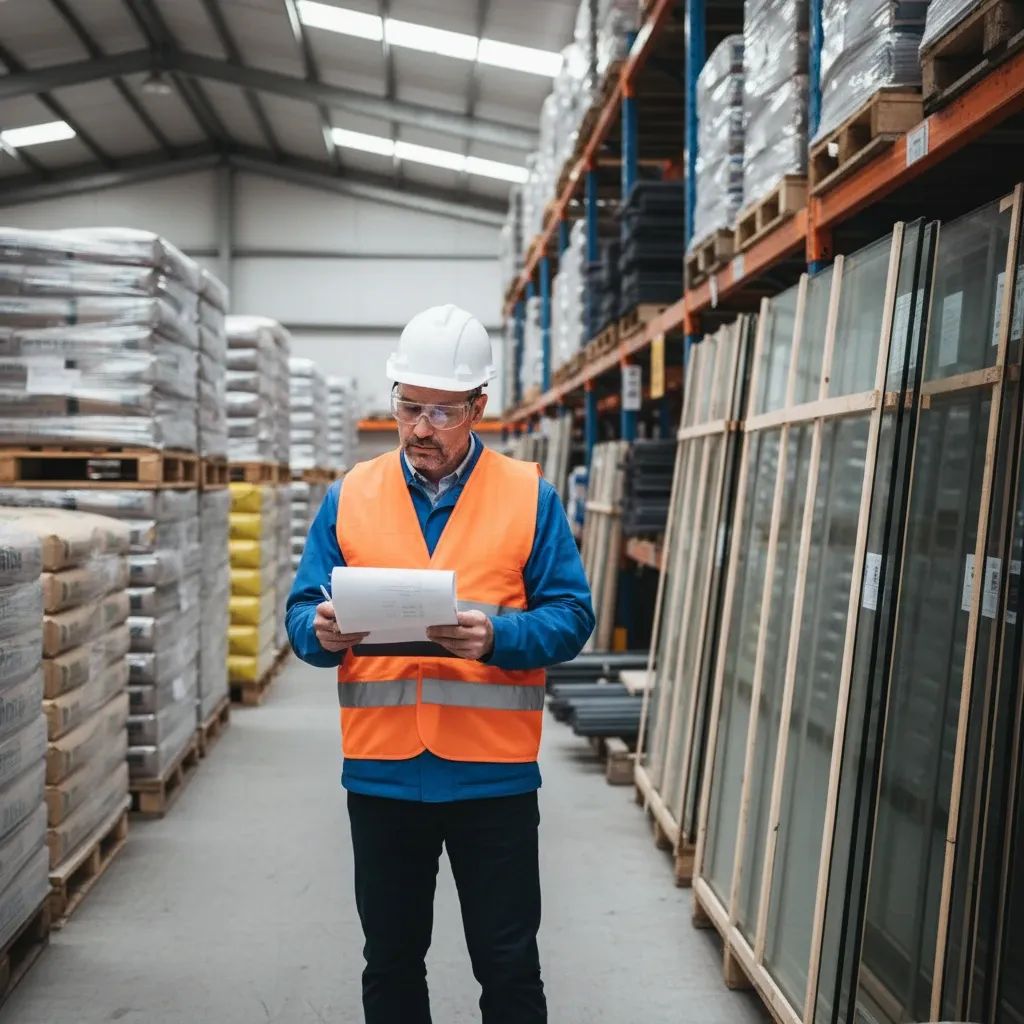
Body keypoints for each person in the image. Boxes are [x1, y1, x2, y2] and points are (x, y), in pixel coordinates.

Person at [286, 303, 595, 1024]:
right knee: (391, 964)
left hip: (493, 778)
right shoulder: (350, 495)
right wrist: (323, 633)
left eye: (442, 411)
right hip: (384, 775)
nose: (421, 428)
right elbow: (302, 614)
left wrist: (497, 638)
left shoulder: (529, 497)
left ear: (478, 406)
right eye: (408, 406)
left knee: (510, 966)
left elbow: (572, 616)